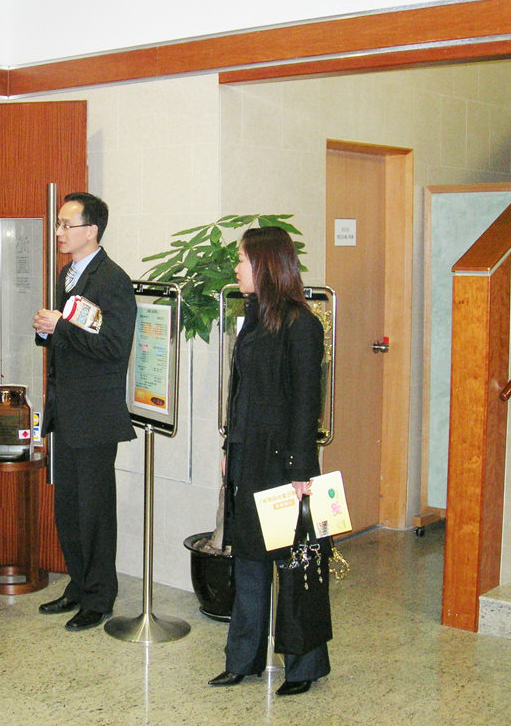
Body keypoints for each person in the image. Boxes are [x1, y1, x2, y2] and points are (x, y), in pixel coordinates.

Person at [207, 226, 330, 696]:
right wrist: (229, 450)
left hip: (283, 463)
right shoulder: (253, 317)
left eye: (242, 259)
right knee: (249, 560)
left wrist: (302, 473)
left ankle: (303, 666)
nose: (236, 268)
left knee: (295, 566)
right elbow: (239, 393)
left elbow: (306, 403)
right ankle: (243, 659)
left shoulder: (302, 325)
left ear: (265, 265)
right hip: (247, 457)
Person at [32, 192, 137, 631]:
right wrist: (48, 330)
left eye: (66, 224)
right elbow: (71, 337)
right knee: (69, 507)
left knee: (94, 510)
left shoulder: (112, 280)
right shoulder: (68, 273)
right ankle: (78, 585)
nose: (58, 232)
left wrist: (61, 328)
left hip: (95, 413)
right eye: (59, 224)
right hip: (66, 410)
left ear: (91, 230)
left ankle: (99, 596)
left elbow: (113, 347)